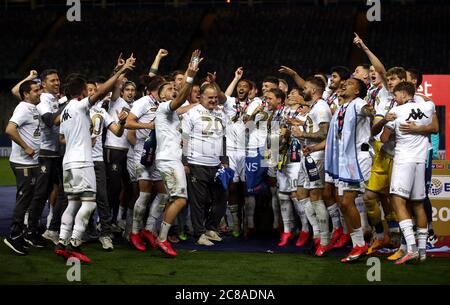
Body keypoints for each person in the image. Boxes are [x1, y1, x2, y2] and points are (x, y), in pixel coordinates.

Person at [54, 55, 136, 263]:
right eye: (87, 90)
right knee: (89, 204)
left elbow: (117, 131)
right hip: (83, 161)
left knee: (73, 204)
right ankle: (75, 243)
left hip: (69, 163)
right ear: (82, 92)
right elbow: (101, 92)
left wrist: (122, 121)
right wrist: (120, 71)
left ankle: (61, 243)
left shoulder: (66, 112)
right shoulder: (79, 105)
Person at [153, 50, 202, 257]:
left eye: (174, 88)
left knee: (175, 199)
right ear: (160, 94)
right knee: (180, 199)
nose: (173, 90)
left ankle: (160, 236)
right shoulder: (164, 107)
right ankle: (162, 238)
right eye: (169, 88)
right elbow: (182, 99)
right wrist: (190, 76)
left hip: (172, 159)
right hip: (167, 159)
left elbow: (185, 103)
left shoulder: (174, 113)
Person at [381, 81, 434, 264]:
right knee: (418, 205)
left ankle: (410, 248)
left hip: (403, 160)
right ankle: (422, 251)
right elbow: (433, 121)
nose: (395, 99)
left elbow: (383, 138)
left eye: (396, 95)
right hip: (420, 161)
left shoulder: (397, 112)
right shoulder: (428, 107)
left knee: (398, 202)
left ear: (403, 94)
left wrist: (387, 122)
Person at [325, 77, 373, 263]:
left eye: (351, 84)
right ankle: (359, 243)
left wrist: (371, 111)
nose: (345, 84)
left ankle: (367, 240)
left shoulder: (358, 103)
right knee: (345, 203)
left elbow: (367, 110)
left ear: (357, 91)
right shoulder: (342, 109)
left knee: (351, 200)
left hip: (358, 159)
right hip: (345, 160)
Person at [291, 77, 332, 256]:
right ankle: (317, 234)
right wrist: (301, 135)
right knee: (301, 194)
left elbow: (326, 132)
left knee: (315, 195)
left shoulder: (322, 107)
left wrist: (303, 133)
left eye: (306, 88)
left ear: (314, 90)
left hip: (317, 156)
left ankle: (324, 240)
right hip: (307, 155)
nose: (303, 90)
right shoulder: (315, 107)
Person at [183, 83, 228, 246]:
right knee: (198, 201)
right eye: (210, 97)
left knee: (221, 198)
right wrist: (185, 162)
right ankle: (199, 233)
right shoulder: (192, 113)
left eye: (216, 97)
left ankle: (211, 228)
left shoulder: (221, 113)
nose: (214, 100)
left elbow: (223, 138)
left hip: (216, 164)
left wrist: (225, 161)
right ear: (201, 97)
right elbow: (185, 138)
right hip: (197, 162)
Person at [3, 80, 42, 255]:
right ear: (26, 94)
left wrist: (28, 77)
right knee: (24, 199)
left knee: (28, 198)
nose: (39, 92)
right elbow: (10, 129)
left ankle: (20, 234)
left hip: (30, 162)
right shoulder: (23, 108)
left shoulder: (31, 106)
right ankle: (14, 235)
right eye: (36, 90)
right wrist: (26, 147)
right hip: (22, 162)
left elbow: (14, 89)